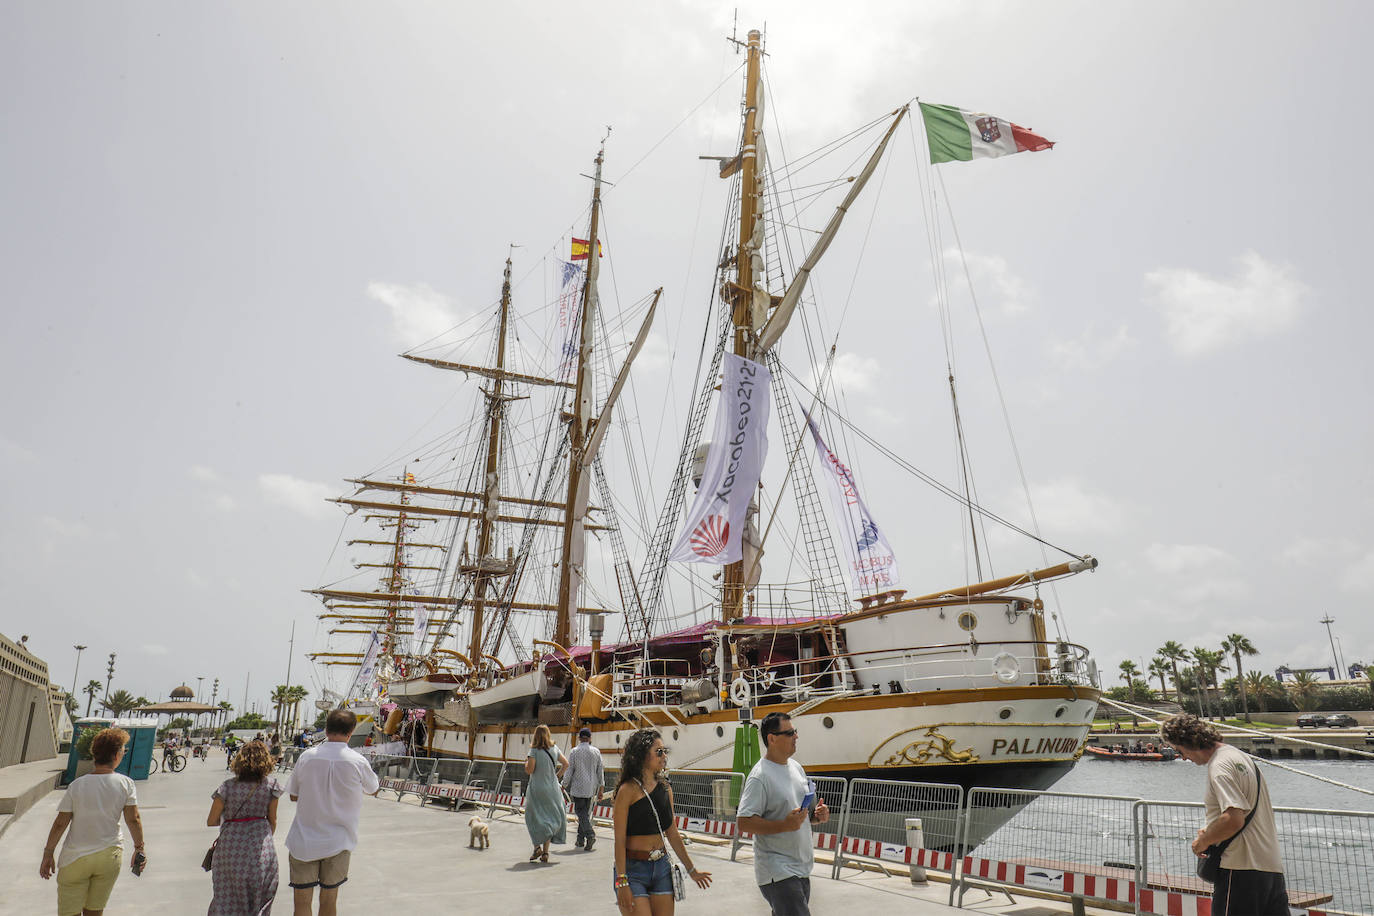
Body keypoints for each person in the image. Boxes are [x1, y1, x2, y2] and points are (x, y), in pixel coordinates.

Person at [1161, 714, 1288, 915]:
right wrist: (1212, 829)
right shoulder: (1241, 757)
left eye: (1179, 751)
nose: (1183, 757)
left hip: (1239, 870)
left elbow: (1233, 819)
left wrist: (1202, 842)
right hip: (1271, 869)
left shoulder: (1219, 766)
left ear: (1186, 742)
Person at [38, 727, 146, 916]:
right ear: (116, 755)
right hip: (109, 856)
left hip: (74, 858)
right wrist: (139, 848)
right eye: (123, 750)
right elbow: (133, 819)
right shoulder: (126, 783)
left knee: (69, 912)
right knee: (94, 911)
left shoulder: (77, 785)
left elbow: (60, 823)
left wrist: (48, 852)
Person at [284, 709, 381, 916]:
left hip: (304, 840)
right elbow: (373, 789)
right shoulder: (357, 761)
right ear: (352, 730)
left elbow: (293, 795)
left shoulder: (306, 757)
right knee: (329, 900)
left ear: (326, 729)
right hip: (339, 841)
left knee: (301, 902)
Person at [736, 713, 829, 916]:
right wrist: (784, 825)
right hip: (778, 872)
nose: (796, 737)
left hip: (801, 868)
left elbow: (805, 814)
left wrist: (818, 816)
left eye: (795, 732)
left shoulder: (796, 768)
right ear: (772, 738)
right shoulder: (760, 776)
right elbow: (743, 822)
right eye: (789, 733)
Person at [612, 728, 711, 915]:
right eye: (659, 752)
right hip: (633, 871)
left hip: (662, 868)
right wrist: (621, 881)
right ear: (642, 755)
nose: (664, 755)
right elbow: (619, 840)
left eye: (665, 751)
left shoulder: (665, 788)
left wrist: (692, 870)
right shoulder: (627, 790)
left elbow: (672, 832)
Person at [207, 740, 286, 915]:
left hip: (230, 847)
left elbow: (211, 820)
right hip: (261, 846)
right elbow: (273, 820)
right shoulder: (271, 786)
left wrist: (232, 822)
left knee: (227, 894)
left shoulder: (226, 787)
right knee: (261, 893)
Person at [523, 724, 568, 863]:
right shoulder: (554, 748)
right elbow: (566, 764)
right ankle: (546, 853)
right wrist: (557, 776)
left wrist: (526, 763)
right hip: (553, 788)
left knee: (532, 816)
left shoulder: (534, 750)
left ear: (536, 735)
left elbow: (530, 770)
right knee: (548, 817)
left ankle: (537, 848)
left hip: (537, 788)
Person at [563, 726, 605, 851]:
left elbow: (569, 770)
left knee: (581, 813)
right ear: (590, 738)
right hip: (591, 788)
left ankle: (590, 834)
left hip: (578, 787)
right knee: (584, 814)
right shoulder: (596, 752)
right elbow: (600, 771)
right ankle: (580, 840)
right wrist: (601, 789)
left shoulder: (574, 751)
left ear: (579, 738)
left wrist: (564, 785)